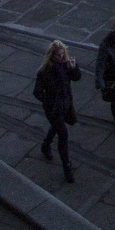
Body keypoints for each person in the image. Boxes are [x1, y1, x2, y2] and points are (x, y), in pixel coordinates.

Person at [34, 40, 81, 183]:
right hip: (53, 109)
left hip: (66, 105)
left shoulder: (67, 65)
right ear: (52, 56)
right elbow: (37, 92)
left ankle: (45, 145)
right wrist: (48, 102)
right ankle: (67, 167)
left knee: (56, 128)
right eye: (58, 55)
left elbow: (77, 77)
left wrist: (73, 68)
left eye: (63, 54)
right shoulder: (44, 72)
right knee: (63, 135)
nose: (61, 57)